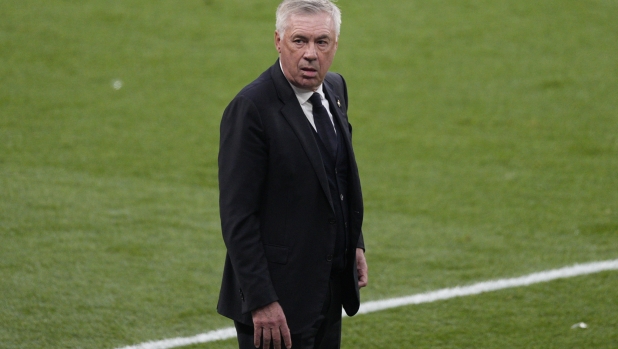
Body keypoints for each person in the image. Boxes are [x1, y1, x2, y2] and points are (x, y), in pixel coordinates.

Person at [217, 1, 367, 348]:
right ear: (278, 41)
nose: (311, 54)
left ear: (336, 45)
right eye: (299, 41)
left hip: (327, 289)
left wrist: (354, 241)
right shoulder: (251, 109)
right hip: (277, 304)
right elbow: (238, 216)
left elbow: (337, 180)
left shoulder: (335, 90)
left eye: (322, 42)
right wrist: (261, 300)